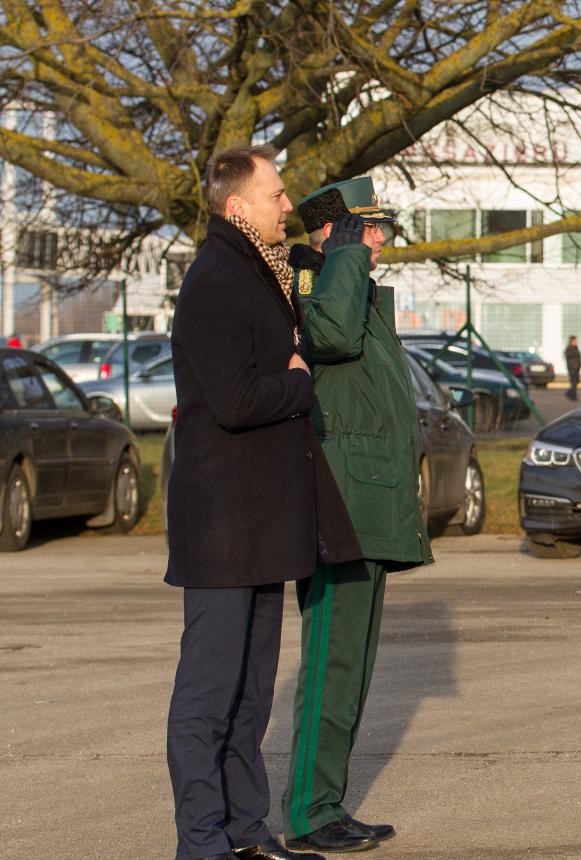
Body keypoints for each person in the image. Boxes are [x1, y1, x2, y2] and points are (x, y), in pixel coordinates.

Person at [165, 145, 360, 860]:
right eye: (276, 194)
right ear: (237, 205)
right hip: (222, 525)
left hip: (262, 520)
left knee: (250, 697)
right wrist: (300, 379)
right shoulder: (215, 280)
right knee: (207, 698)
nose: (288, 205)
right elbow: (237, 399)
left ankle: (247, 830)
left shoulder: (263, 273)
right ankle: (202, 840)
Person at [280, 177, 433, 853]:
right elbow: (332, 338)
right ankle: (310, 813)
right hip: (342, 501)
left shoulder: (349, 284)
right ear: (337, 233)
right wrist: (341, 256)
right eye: (368, 229)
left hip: (367, 499)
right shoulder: (318, 284)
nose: (379, 241)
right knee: (331, 664)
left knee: (353, 666)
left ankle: (326, 803)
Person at [564, 335, 581, 399]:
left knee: (577, 381)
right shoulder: (569, 348)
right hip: (572, 369)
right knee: (574, 382)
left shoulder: (575, 348)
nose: (576, 342)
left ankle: (568, 393)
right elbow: (569, 357)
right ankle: (573, 397)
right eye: (574, 341)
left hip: (577, 368)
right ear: (571, 341)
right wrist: (574, 365)